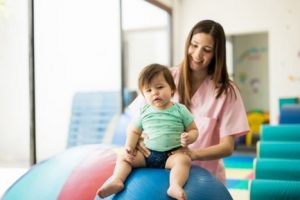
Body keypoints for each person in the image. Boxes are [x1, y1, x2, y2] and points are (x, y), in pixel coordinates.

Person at [128, 19, 250, 184]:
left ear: (217, 54)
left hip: (205, 180)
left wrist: (191, 154)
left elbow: (227, 147)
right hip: (159, 175)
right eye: (194, 45)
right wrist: (138, 142)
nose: (198, 54)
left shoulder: (227, 92)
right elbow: (137, 120)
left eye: (207, 50)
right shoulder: (164, 78)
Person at [97, 64, 199, 200]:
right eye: (148, 90)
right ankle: (117, 180)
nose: (155, 93)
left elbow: (193, 130)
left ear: (172, 89)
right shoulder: (144, 111)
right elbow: (134, 131)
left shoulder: (180, 110)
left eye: (160, 87)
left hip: (171, 155)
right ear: (143, 95)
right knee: (123, 157)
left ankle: (175, 185)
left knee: (184, 160)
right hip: (147, 155)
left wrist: (189, 137)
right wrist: (129, 147)